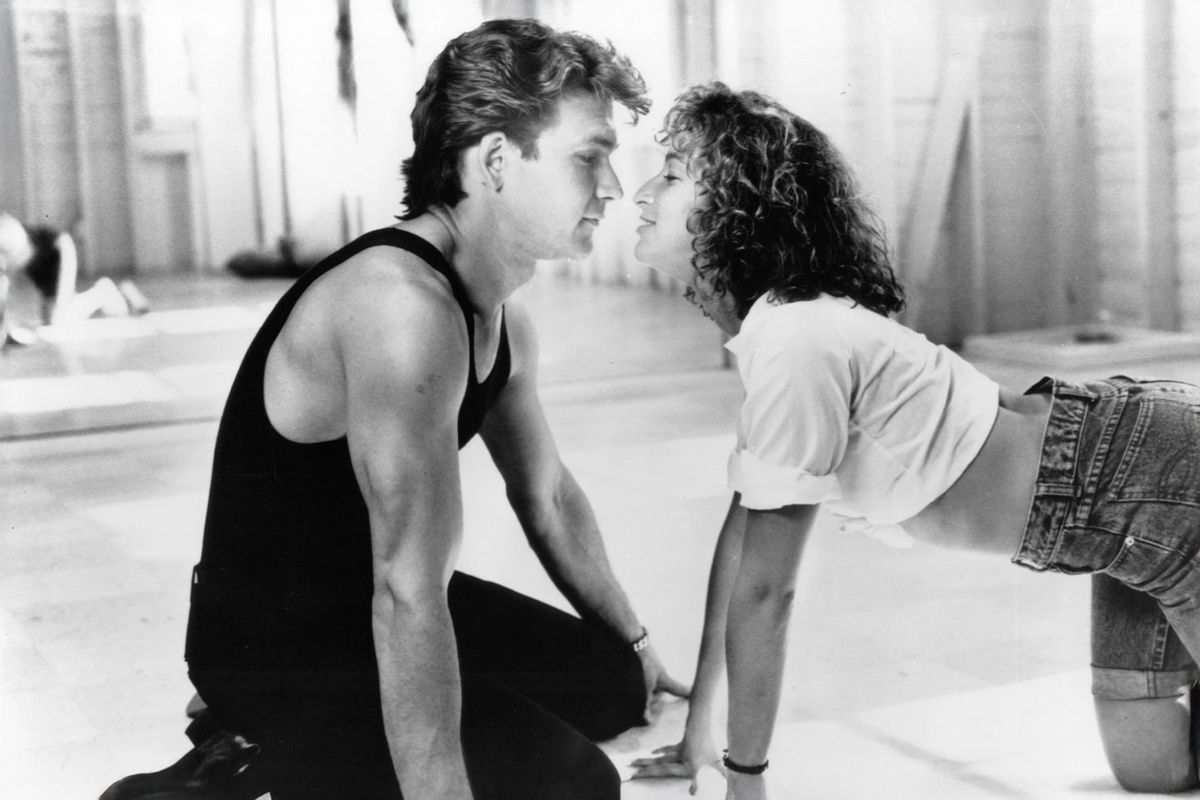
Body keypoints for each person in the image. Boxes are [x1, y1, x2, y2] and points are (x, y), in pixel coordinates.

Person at [100, 19, 686, 800]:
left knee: (613, 682)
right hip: (271, 640)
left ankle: (305, 747)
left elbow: (545, 495)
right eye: (590, 157)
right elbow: (407, 586)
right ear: (497, 163)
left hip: (362, 595)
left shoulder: (500, 310)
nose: (612, 187)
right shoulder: (399, 310)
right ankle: (238, 750)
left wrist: (639, 644)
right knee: (575, 786)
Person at [626, 81, 1200, 798]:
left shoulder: (800, 340)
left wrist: (748, 781)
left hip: (1159, 479)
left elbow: (768, 593)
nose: (640, 192)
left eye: (673, 175)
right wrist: (699, 734)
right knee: (1154, 773)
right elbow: (742, 547)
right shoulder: (778, 330)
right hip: (1117, 525)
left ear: (738, 212)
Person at [0, 213, 149, 347]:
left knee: (58, 320)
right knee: (51, 320)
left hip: (57, 251)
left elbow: (5, 282)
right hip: (39, 263)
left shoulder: (6, 234)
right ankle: (118, 294)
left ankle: (103, 293)